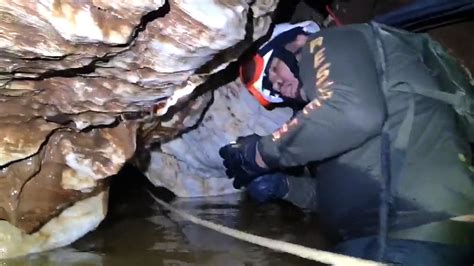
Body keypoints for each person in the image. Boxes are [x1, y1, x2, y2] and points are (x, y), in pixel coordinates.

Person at [220, 21, 474, 265]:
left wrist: (262, 153)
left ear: (295, 40)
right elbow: (345, 190)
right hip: (396, 235)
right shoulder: (328, 125)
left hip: (408, 230)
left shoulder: (325, 41)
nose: (278, 86)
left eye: (274, 69)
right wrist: (286, 187)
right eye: (273, 89)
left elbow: (355, 113)